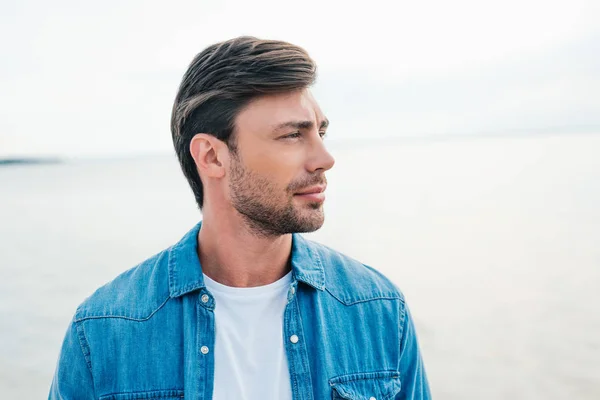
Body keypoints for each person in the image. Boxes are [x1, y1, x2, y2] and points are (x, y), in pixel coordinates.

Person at [49, 36, 431, 400]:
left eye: (321, 132)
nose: (324, 159)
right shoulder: (104, 330)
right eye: (292, 136)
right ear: (213, 157)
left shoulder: (376, 308)